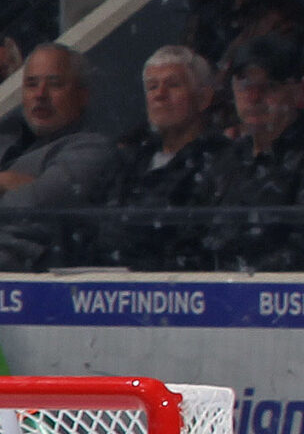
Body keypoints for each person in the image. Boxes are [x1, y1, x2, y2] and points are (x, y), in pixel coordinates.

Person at [0, 41, 114, 270]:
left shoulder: (92, 148)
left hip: (24, 281)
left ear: (82, 95)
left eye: (55, 84)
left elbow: (39, 206)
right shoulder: (4, 142)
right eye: (31, 84)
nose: (40, 94)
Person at [194, 32, 304, 271]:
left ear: (297, 91)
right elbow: (194, 233)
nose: (253, 97)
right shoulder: (227, 158)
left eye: (268, 87)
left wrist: (242, 281)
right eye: (244, 85)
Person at [90, 44, 226, 267]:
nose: (160, 95)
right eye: (152, 87)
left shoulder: (220, 160)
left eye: (173, 85)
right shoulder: (128, 159)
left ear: (203, 98)